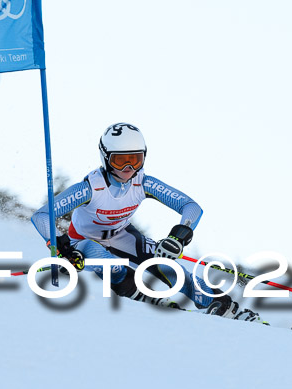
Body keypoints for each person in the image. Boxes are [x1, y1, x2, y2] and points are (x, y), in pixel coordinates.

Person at [31, 122, 264, 323]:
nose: (128, 169)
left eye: (135, 160)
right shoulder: (90, 188)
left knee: (167, 266)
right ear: (105, 158)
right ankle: (146, 299)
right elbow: (41, 216)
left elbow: (191, 207)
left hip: (122, 235)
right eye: (120, 161)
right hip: (82, 240)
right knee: (109, 264)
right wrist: (61, 246)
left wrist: (178, 237)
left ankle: (227, 308)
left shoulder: (143, 183)